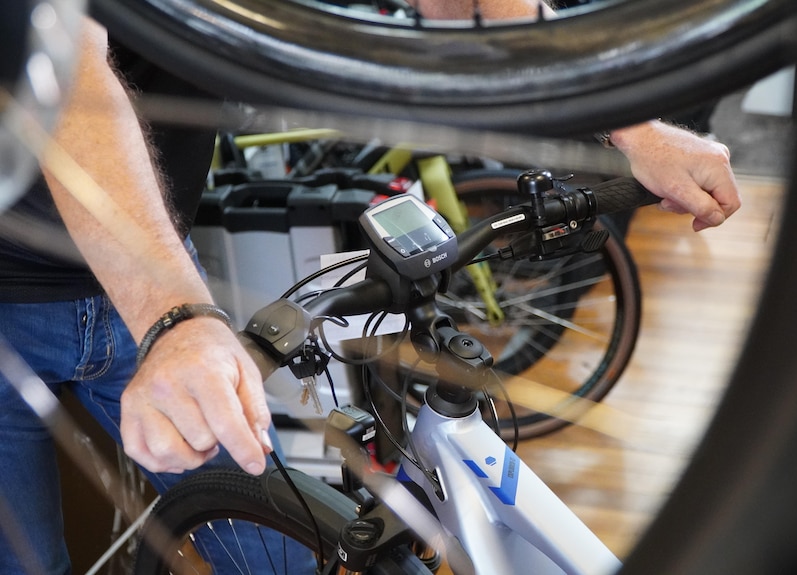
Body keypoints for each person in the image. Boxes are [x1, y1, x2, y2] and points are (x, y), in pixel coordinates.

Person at [0, 5, 739, 575]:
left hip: (155, 266)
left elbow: (471, 5)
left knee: (278, 555)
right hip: (61, 290)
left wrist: (635, 127)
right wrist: (176, 317)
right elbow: (64, 69)